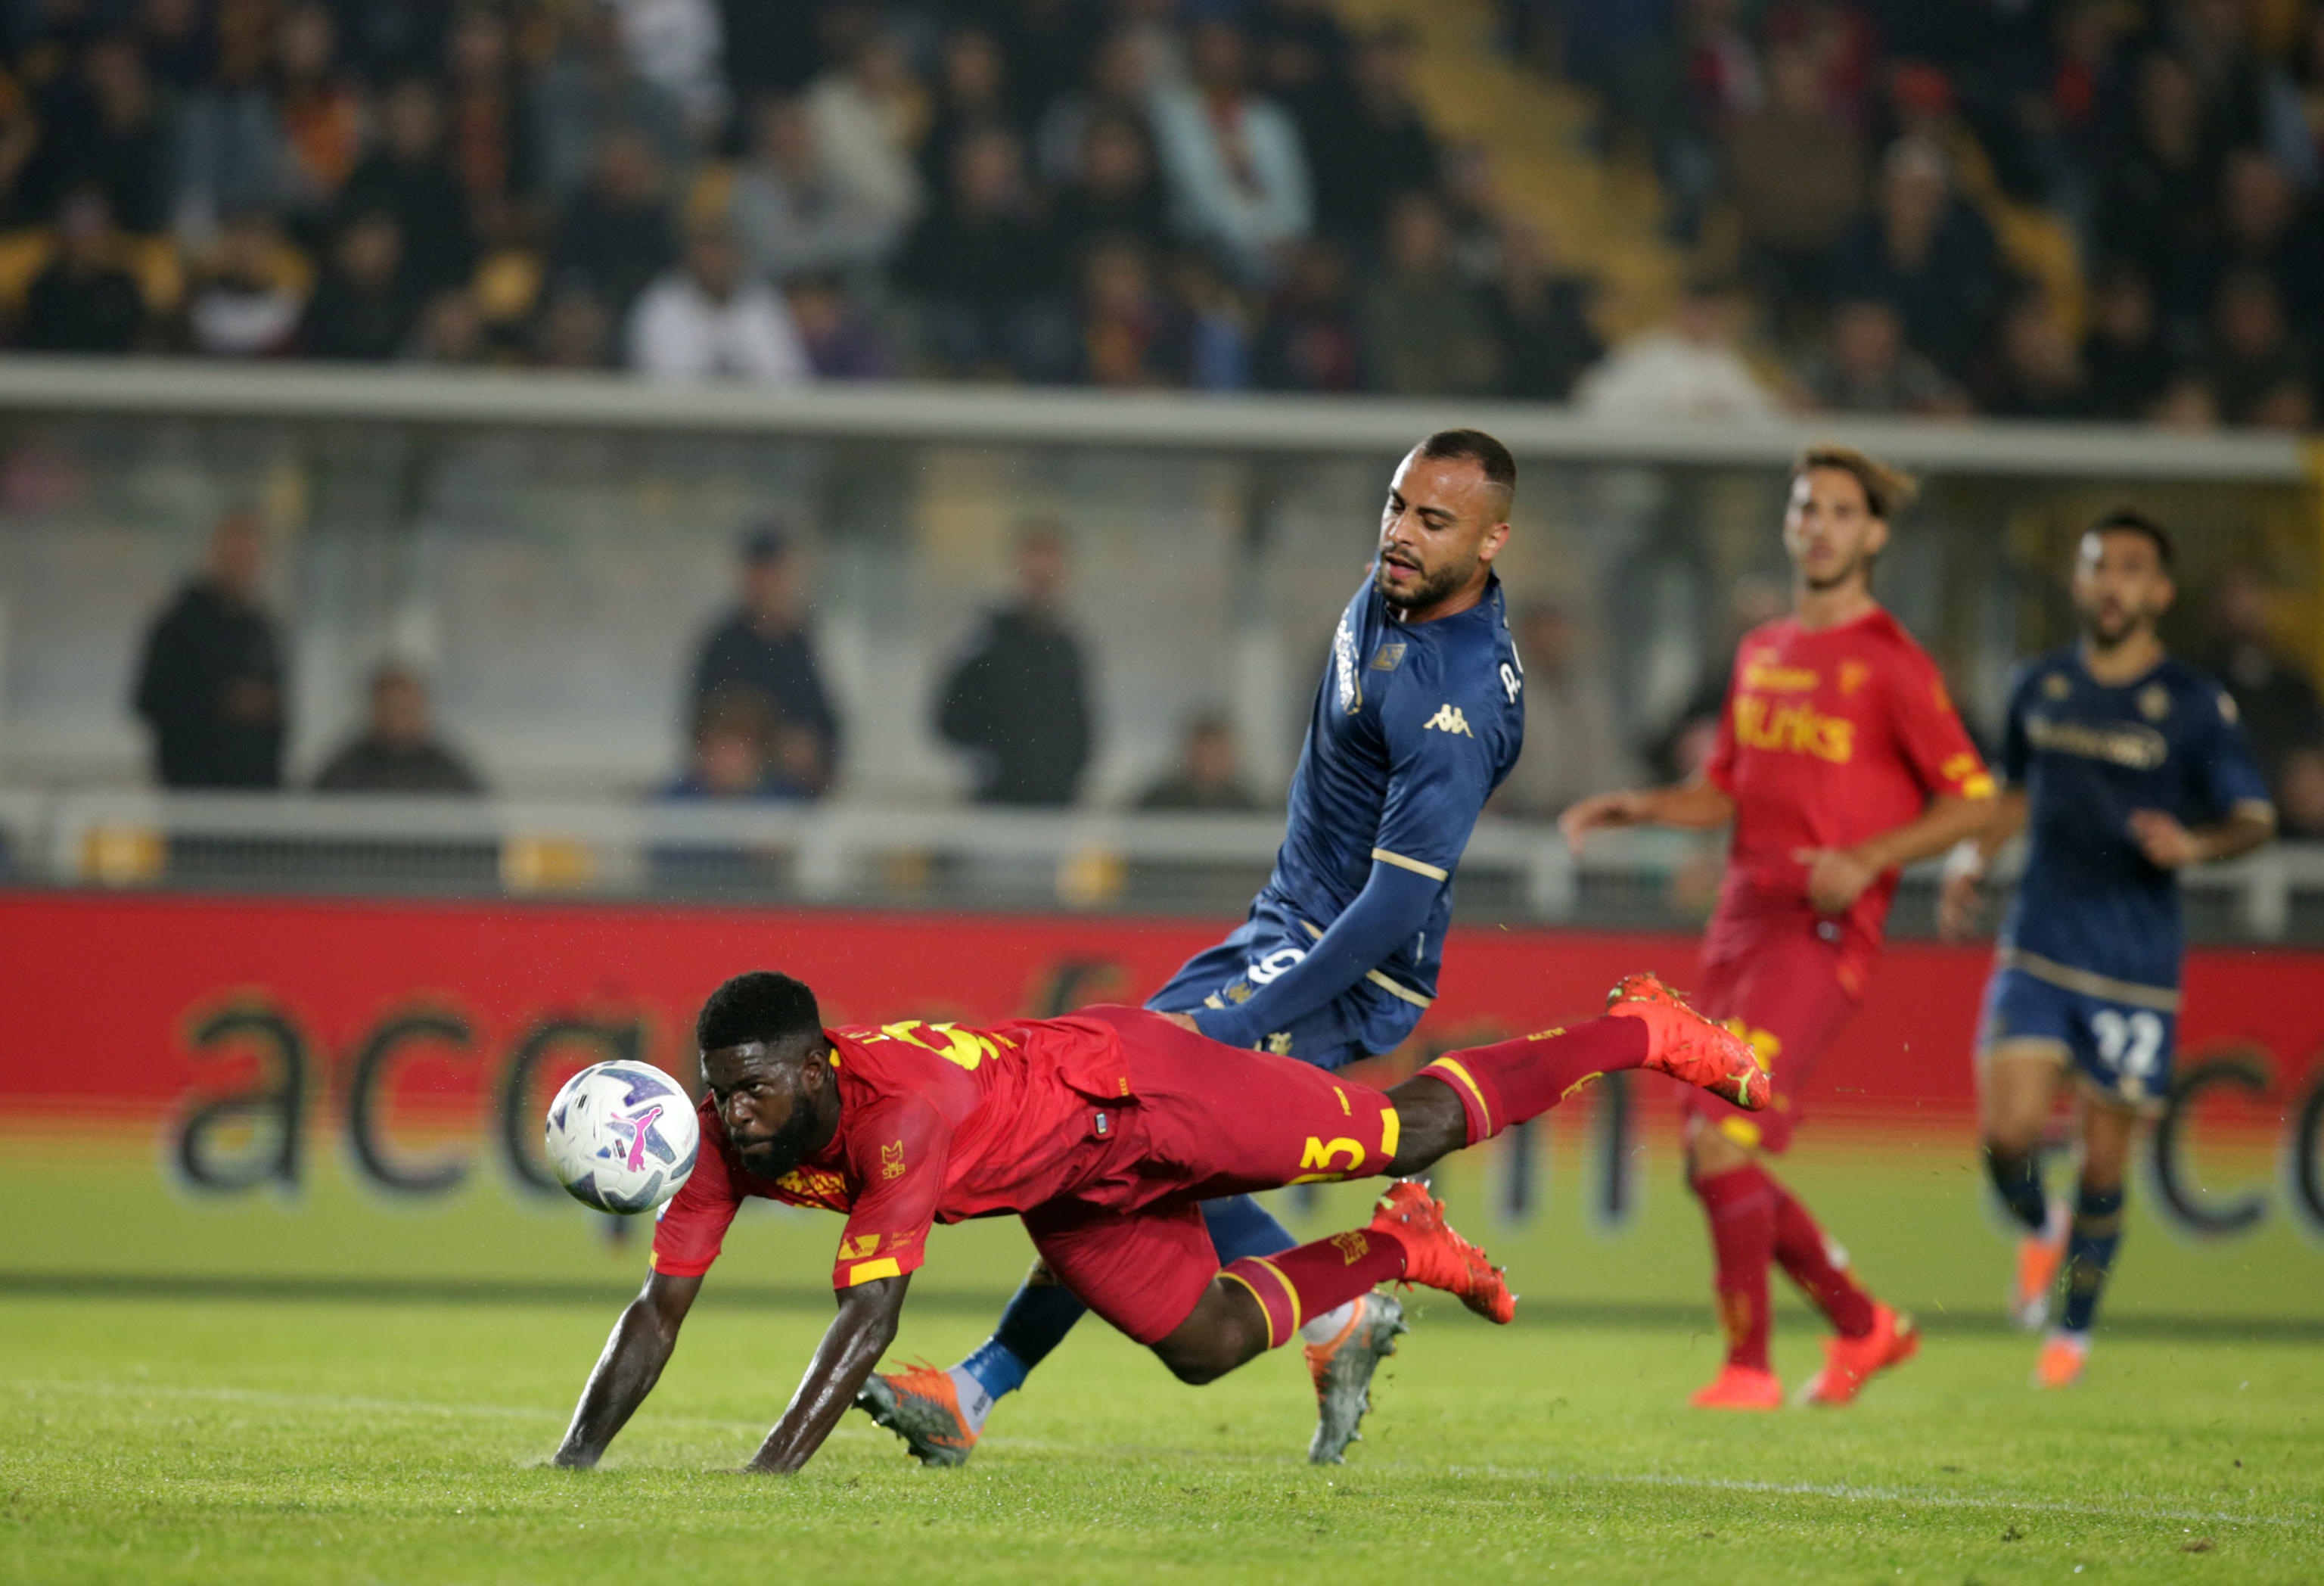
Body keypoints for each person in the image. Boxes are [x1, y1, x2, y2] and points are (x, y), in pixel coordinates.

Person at [881, 431, 1527, 1467]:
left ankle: (980, 1389)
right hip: (1279, 927)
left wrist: (1246, 1018)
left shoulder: (1459, 708)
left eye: (1433, 521)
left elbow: (1397, 907)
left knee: (1113, 1131)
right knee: (1117, 1151)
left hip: (1342, 966)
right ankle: (1328, 1317)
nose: (1400, 534)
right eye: (1396, 506)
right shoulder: (1397, 592)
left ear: (1495, 540)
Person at [550, 966, 1769, 1475]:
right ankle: (1406, 1248)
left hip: (1138, 1097)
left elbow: (869, 1316)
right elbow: (658, 1312)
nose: (737, 1114)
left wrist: (764, 1482)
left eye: (758, 1087)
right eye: (721, 1091)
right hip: (1067, 1188)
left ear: (817, 1066)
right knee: (1207, 1346)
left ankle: (1644, 1029)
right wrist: (577, 1463)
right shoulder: (722, 1139)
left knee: (1411, 1130)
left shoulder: (897, 1121)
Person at [1561, 446, 1999, 1410]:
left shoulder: (1892, 662)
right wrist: (1637, 807)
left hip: (1821, 931)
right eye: (1807, 507)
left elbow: (1975, 800)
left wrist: (1876, 855)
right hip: (1738, 924)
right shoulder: (1762, 650)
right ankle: (1863, 1323)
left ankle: (1748, 1367)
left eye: (1843, 511)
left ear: (1874, 533)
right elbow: (1721, 788)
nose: (1821, 525)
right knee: (1709, 1152)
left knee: (1720, 1137)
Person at [1940, 512, 2273, 1390]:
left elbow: (2254, 816)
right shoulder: (2038, 685)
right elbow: (2011, 793)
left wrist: (2196, 846)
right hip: (2040, 939)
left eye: (2132, 569)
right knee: (2005, 1133)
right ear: (2080, 582)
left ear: (2160, 591)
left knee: (2102, 1158)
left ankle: (2074, 1333)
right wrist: (1974, 859)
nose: (2113, 583)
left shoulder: (2194, 704)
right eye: (2099, 567)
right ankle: (2039, 1223)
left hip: (2135, 960)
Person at [935, 524, 1095, 807]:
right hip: (996, 805)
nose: (1043, 584)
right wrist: (990, 764)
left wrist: (1069, 776)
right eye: (1036, 576)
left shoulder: (1068, 647)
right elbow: (950, 718)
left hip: (1054, 807)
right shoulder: (987, 639)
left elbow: (1080, 726)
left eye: (1050, 575)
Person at [131, 511, 288, 790]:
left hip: (255, 794)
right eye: (234, 553)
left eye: (250, 555)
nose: (242, 563)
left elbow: (279, 712)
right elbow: (149, 700)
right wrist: (220, 703)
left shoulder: (263, 628)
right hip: (194, 788)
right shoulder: (178, 626)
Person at [687, 523, 840, 795]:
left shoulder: (801, 642)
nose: (771, 582)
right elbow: (703, 722)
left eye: (777, 572)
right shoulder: (724, 643)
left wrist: (812, 753)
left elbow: (826, 726)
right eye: (763, 571)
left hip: (789, 789)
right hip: (728, 790)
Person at [626, 219, 810, 382]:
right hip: (682, 420)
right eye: (709, 249)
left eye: (724, 248)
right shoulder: (660, 306)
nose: (717, 260)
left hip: (758, 419)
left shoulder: (763, 303)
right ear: (690, 256)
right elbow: (664, 385)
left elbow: (790, 379)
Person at [312, 662, 484, 794]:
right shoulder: (345, 769)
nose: (398, 717)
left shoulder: (448, 771)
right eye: (390, 706)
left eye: (406, 708)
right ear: (374, 709)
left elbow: (479, 822)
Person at [1136, 712, 1260, 812]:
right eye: (1203, 753)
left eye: (1216, 754)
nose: (1209, 763)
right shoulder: (1160, 802)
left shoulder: (1248, 805)